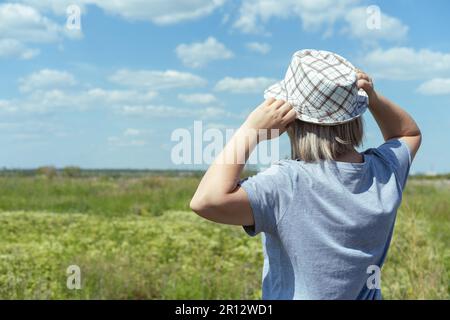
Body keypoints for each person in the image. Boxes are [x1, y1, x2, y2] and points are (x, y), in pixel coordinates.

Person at [190, 50, 422, 300]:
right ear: (356, 116)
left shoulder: (287, 183)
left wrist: (251, 131)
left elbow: (206, 200)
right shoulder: (384, 172)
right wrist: (373, 98)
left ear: (292, 122)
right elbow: (407, 134)